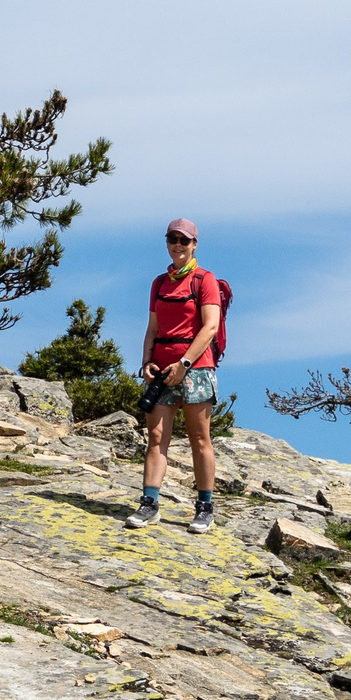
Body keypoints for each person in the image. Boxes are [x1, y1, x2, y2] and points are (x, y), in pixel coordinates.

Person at [126, 217, 223, 532]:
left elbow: (210, 327)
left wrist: (185, 364)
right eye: (172, 239)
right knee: (156, 437)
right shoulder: (159, 283)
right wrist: (146, 362)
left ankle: (205, 507)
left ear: (195, 244)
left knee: (199, 438)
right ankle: (149, 503)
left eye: (184, 240)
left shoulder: (204, 280)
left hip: (196, 369)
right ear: (166, 242)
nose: (177, 246)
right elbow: (153, 327)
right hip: (161, 370)